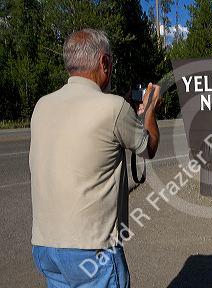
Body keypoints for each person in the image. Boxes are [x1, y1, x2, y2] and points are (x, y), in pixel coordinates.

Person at [30, 28, 160, 287]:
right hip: (91, 249)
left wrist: (123, 108)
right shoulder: (113, 108)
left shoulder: (42, 105)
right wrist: (151, 109)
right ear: (104, 62)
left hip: (46, 246)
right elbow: (148, 147)